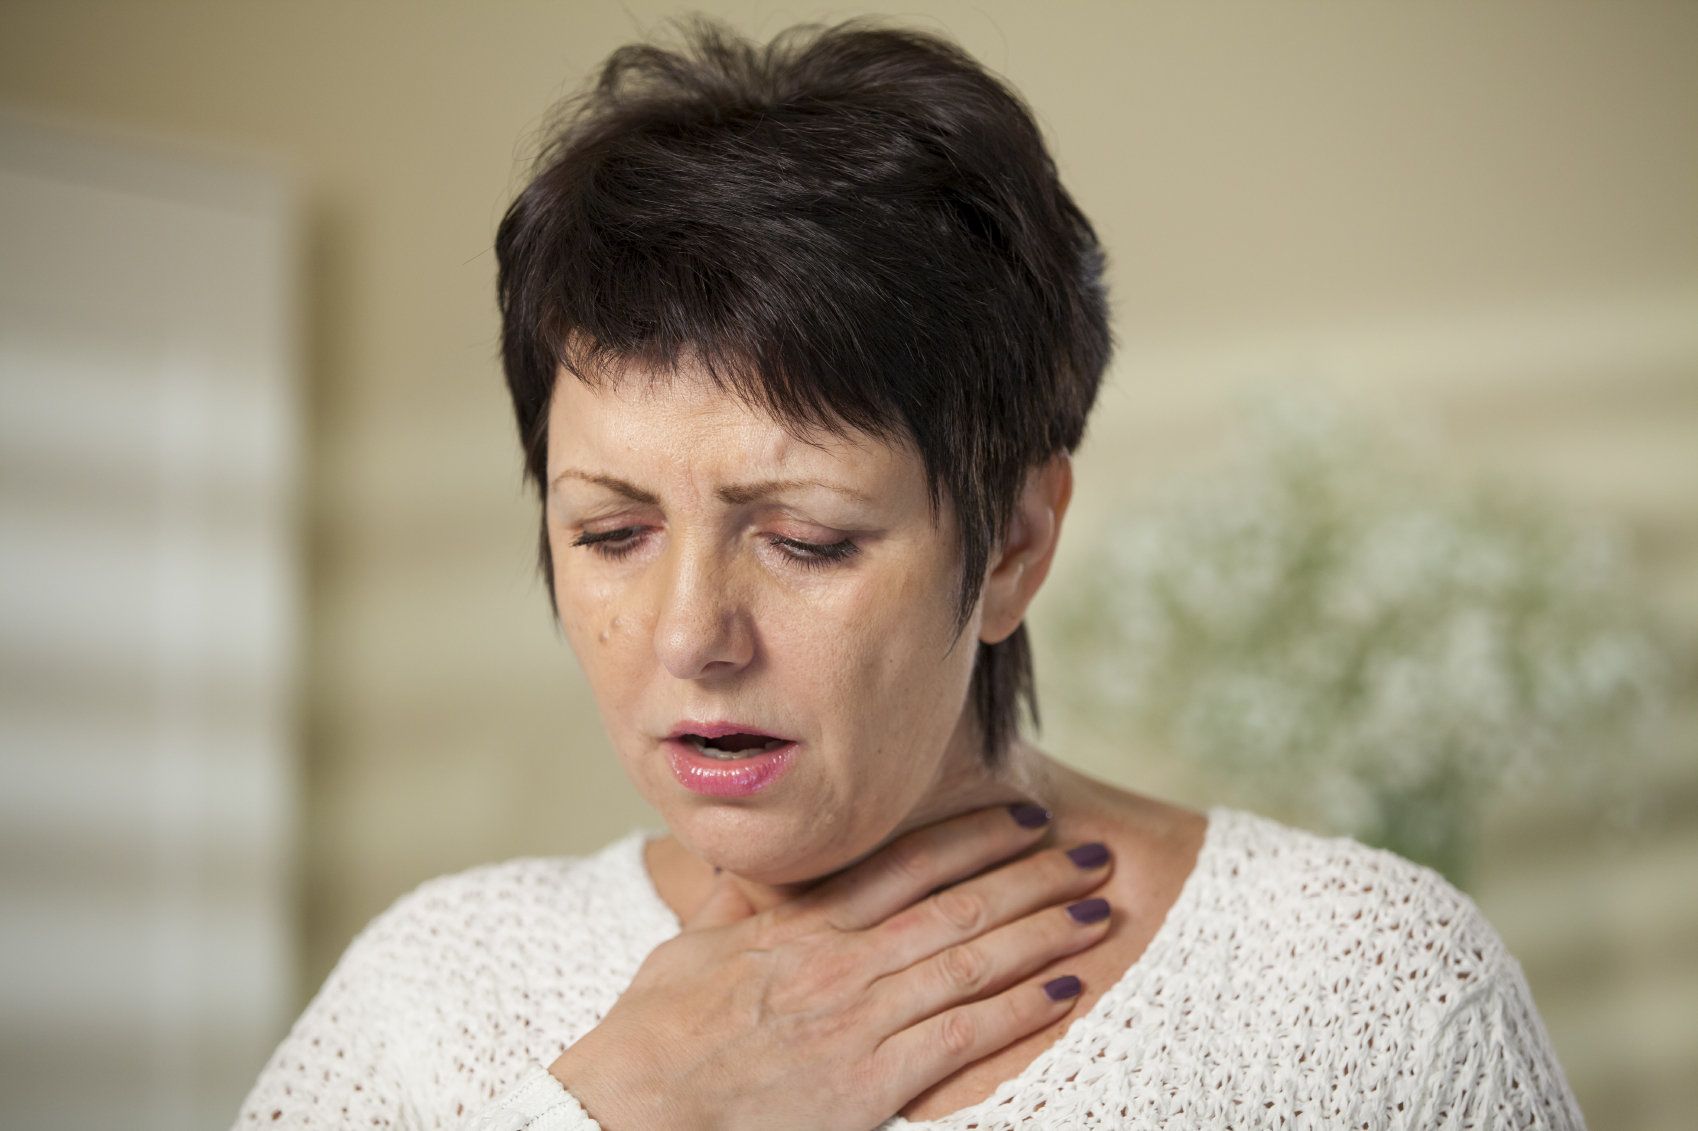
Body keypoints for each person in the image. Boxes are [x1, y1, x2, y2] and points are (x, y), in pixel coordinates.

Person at [234, 17, 1584, 1130]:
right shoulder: (433, 991)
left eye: (804, 537)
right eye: (611, 532)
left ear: (1011, 544)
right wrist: (623, 1110)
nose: (691, 635)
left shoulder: (1363, 987)